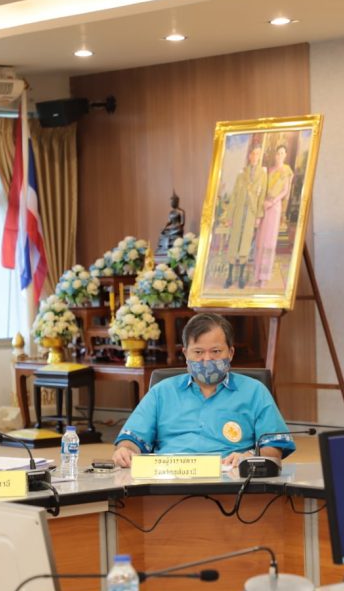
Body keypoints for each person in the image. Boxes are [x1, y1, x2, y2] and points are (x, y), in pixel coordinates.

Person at [112, 313, 295, 468]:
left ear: (230, 353)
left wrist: (250, 457)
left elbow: (273, 448)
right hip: (169, 478)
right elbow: (132, 439)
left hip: (230, 479)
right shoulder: (161, 392)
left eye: (216, 351)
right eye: (198, 352)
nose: (207, 360)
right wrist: (125, 450)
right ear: (186, 354)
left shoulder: (254, 391)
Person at [222, 144, 267, 289]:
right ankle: (229, 277)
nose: (255, 156)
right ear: (249, 156)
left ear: (260, 156)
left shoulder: (262, 175)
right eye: (253, 153)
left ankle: (241, 277)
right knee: (234, 243)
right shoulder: (241, 174)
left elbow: (262, 196)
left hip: (251, 214)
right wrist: (230, 215)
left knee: (245, 245)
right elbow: (234, 195)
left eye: (258, 154)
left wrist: (258, 216)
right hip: (239, 212)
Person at [252, 145, 294, 287]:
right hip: (264, 206)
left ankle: (264, 276)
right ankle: (257, 273)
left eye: (282, 153)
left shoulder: (286, 171)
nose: (280, 155)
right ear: (275, 155)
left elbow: (285, 191)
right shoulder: (269, 170)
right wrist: (263, 202)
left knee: (269, 242)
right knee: (260, 240)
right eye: (278, 153)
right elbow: (263, 188)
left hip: (274, 207)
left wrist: (272, 202)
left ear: (285, 155)